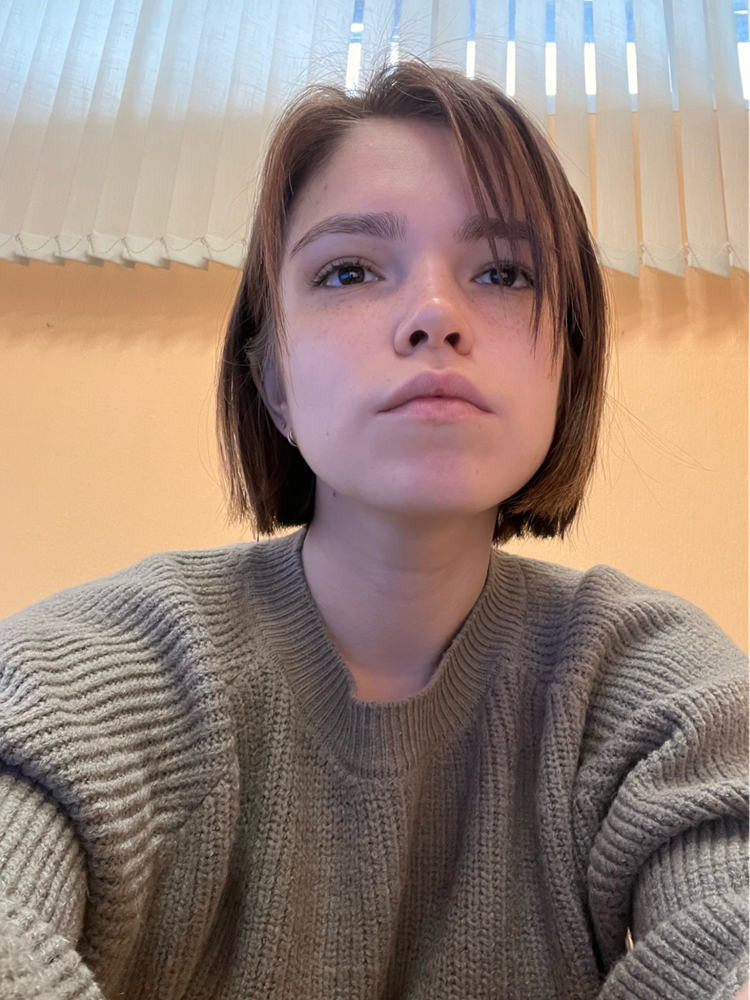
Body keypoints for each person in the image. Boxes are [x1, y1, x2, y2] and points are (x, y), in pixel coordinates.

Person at [0, 58, 747, 1000]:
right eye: (348, 270)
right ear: (273, 382)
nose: (435, 315)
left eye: (504, 272)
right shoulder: (97, 672)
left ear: (569, 362)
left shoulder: (652, 681)